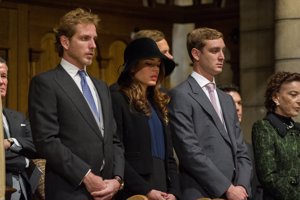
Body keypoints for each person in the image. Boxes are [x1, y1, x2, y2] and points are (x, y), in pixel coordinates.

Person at [28, 8, 124, 200]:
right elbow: (46, 141)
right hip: (70, 190)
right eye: (85, 38)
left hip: (108, 191)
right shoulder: (46, 83)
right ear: (65, 42)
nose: (93, 45)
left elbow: (113, 139)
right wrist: (86, 176)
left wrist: (117, 179)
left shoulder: (101, 86)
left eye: (94, 39)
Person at [168, 27, 252, 200]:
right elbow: (190, 152)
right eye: (214, 51)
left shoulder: (226, 100)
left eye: (223, 50)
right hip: (202, 192)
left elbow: (241, 149)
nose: (222, 56)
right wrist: (227, 188)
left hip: (237, 193)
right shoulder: (181, 95)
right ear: (196, 54)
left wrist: (242, 186)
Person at [111, 38, 180, 200]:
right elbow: (116, 152)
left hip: (162, 183)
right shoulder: (118, 99)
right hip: (135, 188)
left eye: (157, 64)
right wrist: (146, 190)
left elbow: (169, 156)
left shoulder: (157, 102)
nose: (155, 69)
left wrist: (174, 192)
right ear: (133, 67)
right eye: (149, 64)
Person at [252, 71, 300, 200]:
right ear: (276, 98)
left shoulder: (297, 129)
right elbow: (269, 177)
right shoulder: (264, 127)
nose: (299, 100)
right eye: (293, 95)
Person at [1, 57, 39, 200]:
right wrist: (25, 162)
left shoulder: (18, 117)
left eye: (4, 76)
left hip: (27, 191)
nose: (1, 81)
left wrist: (10, 142)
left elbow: (37, 144)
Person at [219, 83, 263, 200]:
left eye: (239, 103)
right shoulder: (213, 146)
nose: (238, 108)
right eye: (232, 103)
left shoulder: (249, 147)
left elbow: (258, 185)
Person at [110, 29, 175, 92]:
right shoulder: (117, 93)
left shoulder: (161, 94)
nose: (171, 57)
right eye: (164, 52)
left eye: (158, 64)